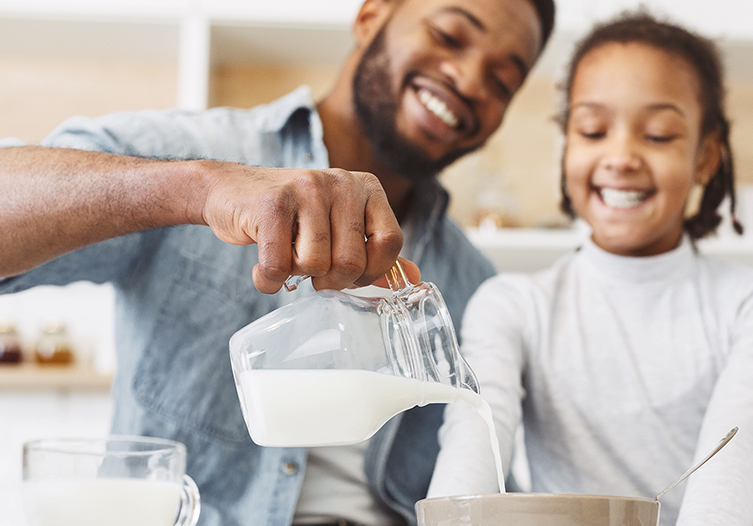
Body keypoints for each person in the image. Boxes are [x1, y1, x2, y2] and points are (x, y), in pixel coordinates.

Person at [0, 0, 555, 524]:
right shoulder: (195, 153)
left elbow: (481, 478)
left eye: (502, 81)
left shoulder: (472, 281)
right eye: (449, 35)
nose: (468, 81)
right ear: (372, 15)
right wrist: (196, 190)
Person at [427, 11, 753, 526]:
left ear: (706, 156)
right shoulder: (513, 304)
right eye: (593, 130)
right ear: (567, 146)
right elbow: (469, 456)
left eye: (658, 135)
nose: (620, 156)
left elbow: (735, 460)